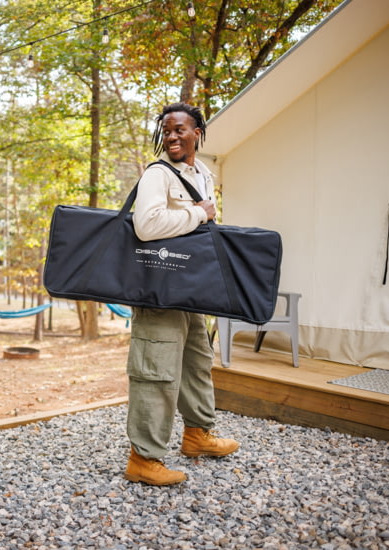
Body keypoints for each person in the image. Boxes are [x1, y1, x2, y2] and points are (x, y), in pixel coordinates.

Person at [123, 103, 239, 486]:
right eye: (167, 130)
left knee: (196, 363)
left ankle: (196, 435)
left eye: (180, 130)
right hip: (159, 291)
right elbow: (146, 225)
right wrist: (200, 214)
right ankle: (144, 458)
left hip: (190, 289)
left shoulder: (202, 173)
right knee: (155, 370)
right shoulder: (158, 174)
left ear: (198, 134)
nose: (172, 136)